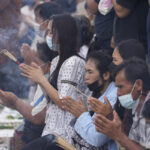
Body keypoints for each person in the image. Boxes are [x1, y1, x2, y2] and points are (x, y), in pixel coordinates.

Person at [0, 14, 88, 148]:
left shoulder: (74, 62)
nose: (48, 35)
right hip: (52, 133)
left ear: (63, 34)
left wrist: (41, 79)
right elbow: (50, 101)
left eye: (51, 32)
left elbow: (64, 102)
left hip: (64, 138)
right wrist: (39, 78)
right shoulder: (57, 61)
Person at [62, 51, 118, 150]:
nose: (86, 77)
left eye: (90, 72)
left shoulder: (112, 97)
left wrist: (81, 115)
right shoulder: (97, 92)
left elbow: (97, 138)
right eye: (85, 71)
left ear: (105, 75)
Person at [94, 58, 150, 150]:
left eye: (120, 87)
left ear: (138, 84)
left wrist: (119, 136)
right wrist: (109, 117)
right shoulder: (134, 105)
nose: (118, 93)